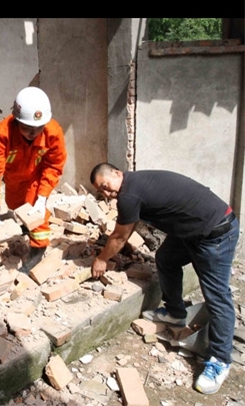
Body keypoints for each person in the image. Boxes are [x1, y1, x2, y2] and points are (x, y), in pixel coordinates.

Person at [89, 162, 240, 395]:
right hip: (191, 230)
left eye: (106, 186)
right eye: (102, 192)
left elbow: (119, 236)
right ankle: (175, 313)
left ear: (117, 173)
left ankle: (220, 361)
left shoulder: (129, 194)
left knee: (217, 297)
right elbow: (130, 225)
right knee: (166, 258)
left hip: (215, 233)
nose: (107, 194)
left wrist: (102, 259)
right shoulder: (135, 185)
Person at [0, 86, 67, 255]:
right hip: (13, 179)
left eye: (39, 127)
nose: (33, 133)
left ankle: (38, 249)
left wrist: (42, 197)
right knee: (15, 205)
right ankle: (27, 229)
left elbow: (54, 165)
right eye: (27, 128)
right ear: (17, 120)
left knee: (35, 210)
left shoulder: (53, 133)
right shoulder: (2, 134)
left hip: (36, 177)